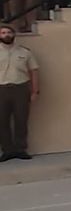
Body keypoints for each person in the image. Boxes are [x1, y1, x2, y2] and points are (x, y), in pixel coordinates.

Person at [0, 24, 38, 160]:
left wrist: (35, 91)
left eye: (9, 32)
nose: (6, 35)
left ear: (14, 34)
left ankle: (20, 149)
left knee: (21, 120)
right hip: (1, 89)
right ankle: (7, 150)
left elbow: (33, 71)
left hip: (20, 89)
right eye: (3, 33)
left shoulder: (25, 52)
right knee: (2, 121)